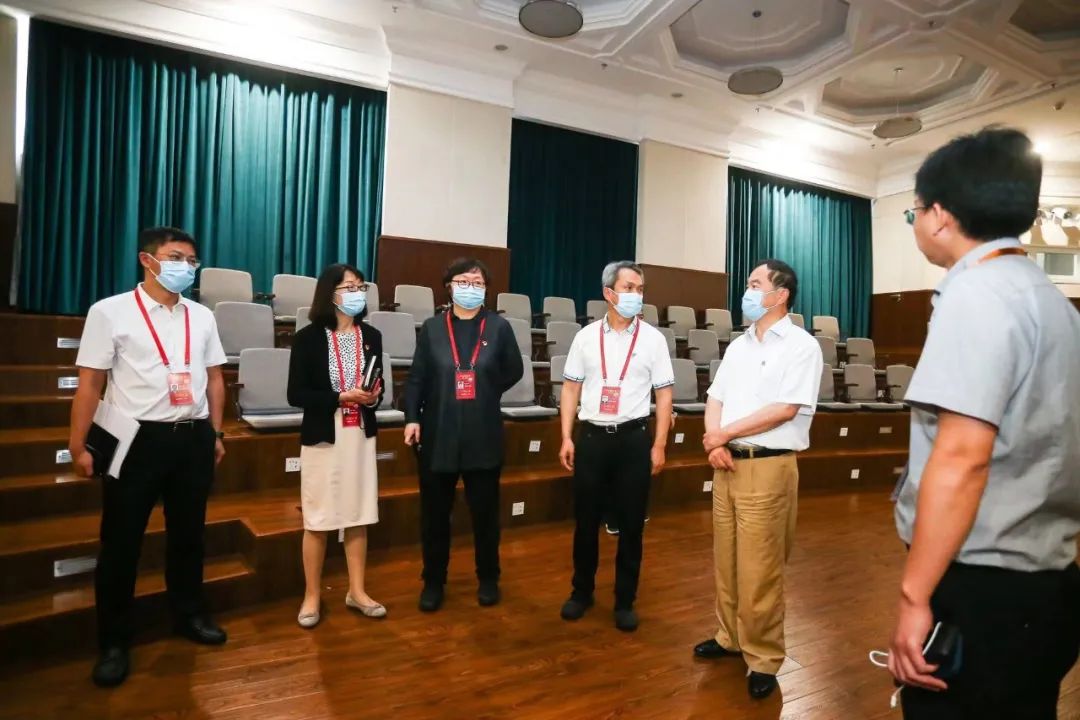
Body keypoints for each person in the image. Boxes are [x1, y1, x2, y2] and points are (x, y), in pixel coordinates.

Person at [886, 127, 1080, 719]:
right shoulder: (1056, 305)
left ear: (940, 216)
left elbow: (962, 457)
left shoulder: (975, 295)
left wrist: (914, 595)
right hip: (1047, 580)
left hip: (981, 586)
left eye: (914, 212)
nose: (917, 224)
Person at [68, 227, 229, 687]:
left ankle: (188, 614)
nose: (185, 267)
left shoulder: (202, 316)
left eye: (192, 261)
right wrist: (78, 445)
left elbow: (216, 378)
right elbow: (90, 384)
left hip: (193, 437)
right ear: (147, 260)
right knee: (121, 542)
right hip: (135, 440)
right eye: (175, 257)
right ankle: (114, 641)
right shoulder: (110, 311)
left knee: (189, 536)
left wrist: (216, 433)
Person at [694, 259, 823, 700]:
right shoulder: (739, 345)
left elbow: (785, 409)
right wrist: (715, 443)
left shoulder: (802, 346)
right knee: (726, 560)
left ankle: (764, 658)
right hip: (726, 464)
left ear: (780, 294)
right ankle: (730, 637)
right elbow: (716, 397)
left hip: (768, 467)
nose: (747, 292)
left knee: (760, 569)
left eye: (755, 283)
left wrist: (723, 434)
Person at [558, 261, 674, 632]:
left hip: (634, 440)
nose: (636, 295)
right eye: (629, 288)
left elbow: (664, 395)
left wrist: (659, 444)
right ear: (609, 293)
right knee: (585, 523)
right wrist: (566, 436)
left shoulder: (653, 340)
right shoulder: (586, 337)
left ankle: (625, 600)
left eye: (640, 289)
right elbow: (570, 389)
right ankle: (581, 592)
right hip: (592, 439)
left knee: (631, 525)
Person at [403, 258, 524, 612]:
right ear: (449, 286)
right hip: (438, 433)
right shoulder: (432, 328)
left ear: (486, 289)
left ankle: (488, 578)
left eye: (478, 282)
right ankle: (433, 581)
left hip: (482, 434)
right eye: (464, 281)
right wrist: (411, 418)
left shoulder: (499, 327)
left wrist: (485, 387)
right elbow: (417, 379)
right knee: (434, 517)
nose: (471, 288)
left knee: (485, 516)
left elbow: (513, 369)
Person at [287, 264, 386, 628]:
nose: (357, 293)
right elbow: (296, 394)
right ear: (330, 293)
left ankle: (357, 591)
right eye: (349, 287)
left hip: (359, 433)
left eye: (361, 287)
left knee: (359, 514)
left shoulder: (372, 335)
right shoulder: (308, 337)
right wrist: (341, 396)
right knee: (318, 518)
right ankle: (312, 595)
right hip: (323, 435)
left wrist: (372, 397)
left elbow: (377, 387)